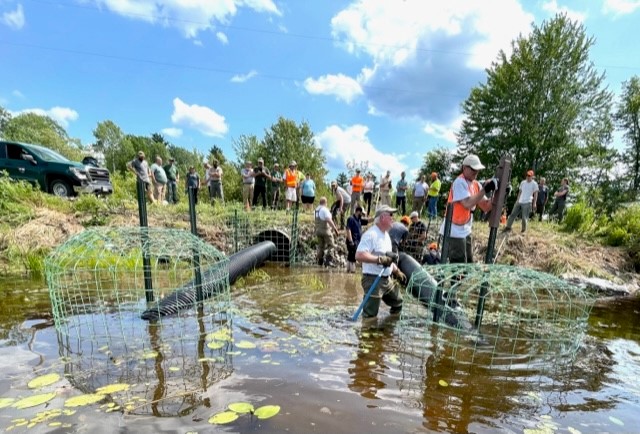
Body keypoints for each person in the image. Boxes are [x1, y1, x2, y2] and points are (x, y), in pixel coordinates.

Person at [440, 154, 495, 264]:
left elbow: (486, 206)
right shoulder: (459, 182)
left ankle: (463, 281)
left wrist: (498, 194)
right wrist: (485, 189)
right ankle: (458, 282)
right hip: (453, 230)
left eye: (477, 170)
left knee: (468, 262)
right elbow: (467, 203)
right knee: (459, 265)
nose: (476, 172)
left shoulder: (476, 185)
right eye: (473, 169)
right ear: (464, 168)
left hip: (465, 229)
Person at [355, 205, 407, 319]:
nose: (393, 218)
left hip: (386, 279)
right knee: (370, 315)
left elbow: (388, 259)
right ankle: (368, 334)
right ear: (382, 217)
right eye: (391, 215)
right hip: (373, 279)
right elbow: (359, 255)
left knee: (398, 302)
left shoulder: (387, 236)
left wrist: (397, 271)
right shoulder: (371, 234)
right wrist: (378, 260)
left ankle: (387, 330)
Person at [314, 196, 340, 267]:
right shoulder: (324, 209)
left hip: (318, 231)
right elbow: (329, 220)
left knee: (320, 246)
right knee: (331, 245)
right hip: (325, 230)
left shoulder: (316, 210)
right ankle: (328, 262)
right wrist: (335, 229)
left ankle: (320, 262)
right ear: (325, 203)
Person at [345, 205, 369, 273]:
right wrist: (351, 241)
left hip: (356, 241)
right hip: (352, 241)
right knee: (353, 256)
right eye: (362, 213)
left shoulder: (359, 219)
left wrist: (376, 217)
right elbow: (348, 229)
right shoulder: (351, 219)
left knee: (350, 256)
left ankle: (348, 270)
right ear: (358, 211)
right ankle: (352, 271)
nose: (362, 215)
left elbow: (367, 221)